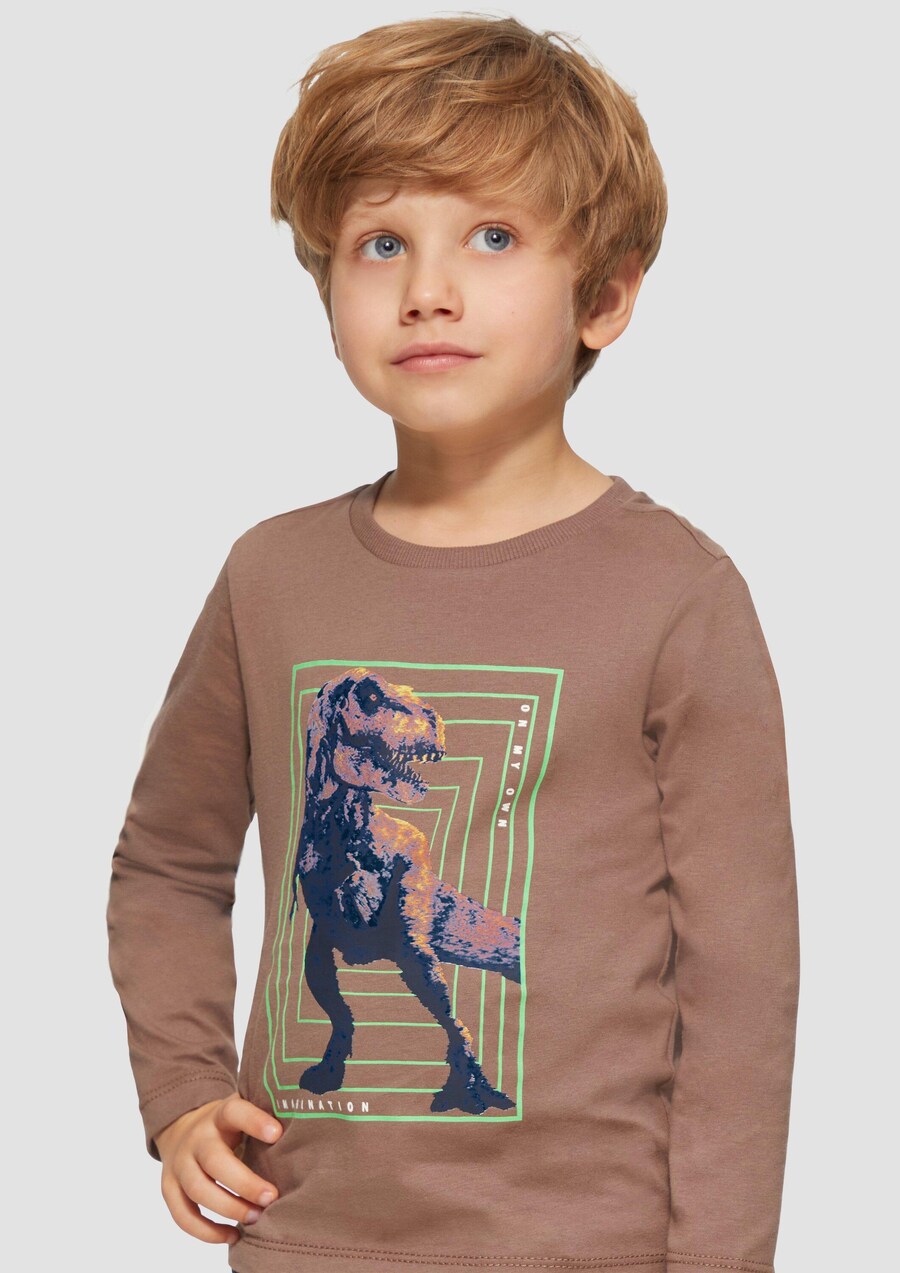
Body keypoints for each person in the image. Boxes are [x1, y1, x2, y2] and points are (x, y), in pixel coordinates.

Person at [106, 15, 800, 1273]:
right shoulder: (271, 576)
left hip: (589, 1248)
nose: (428, 286)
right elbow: (168, 860)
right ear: (328, 291)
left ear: (606, 294)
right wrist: (182, 1090)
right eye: (382, 243)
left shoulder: (678, 595)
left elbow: (740, 983)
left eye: (492, 236)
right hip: (307, 1240)